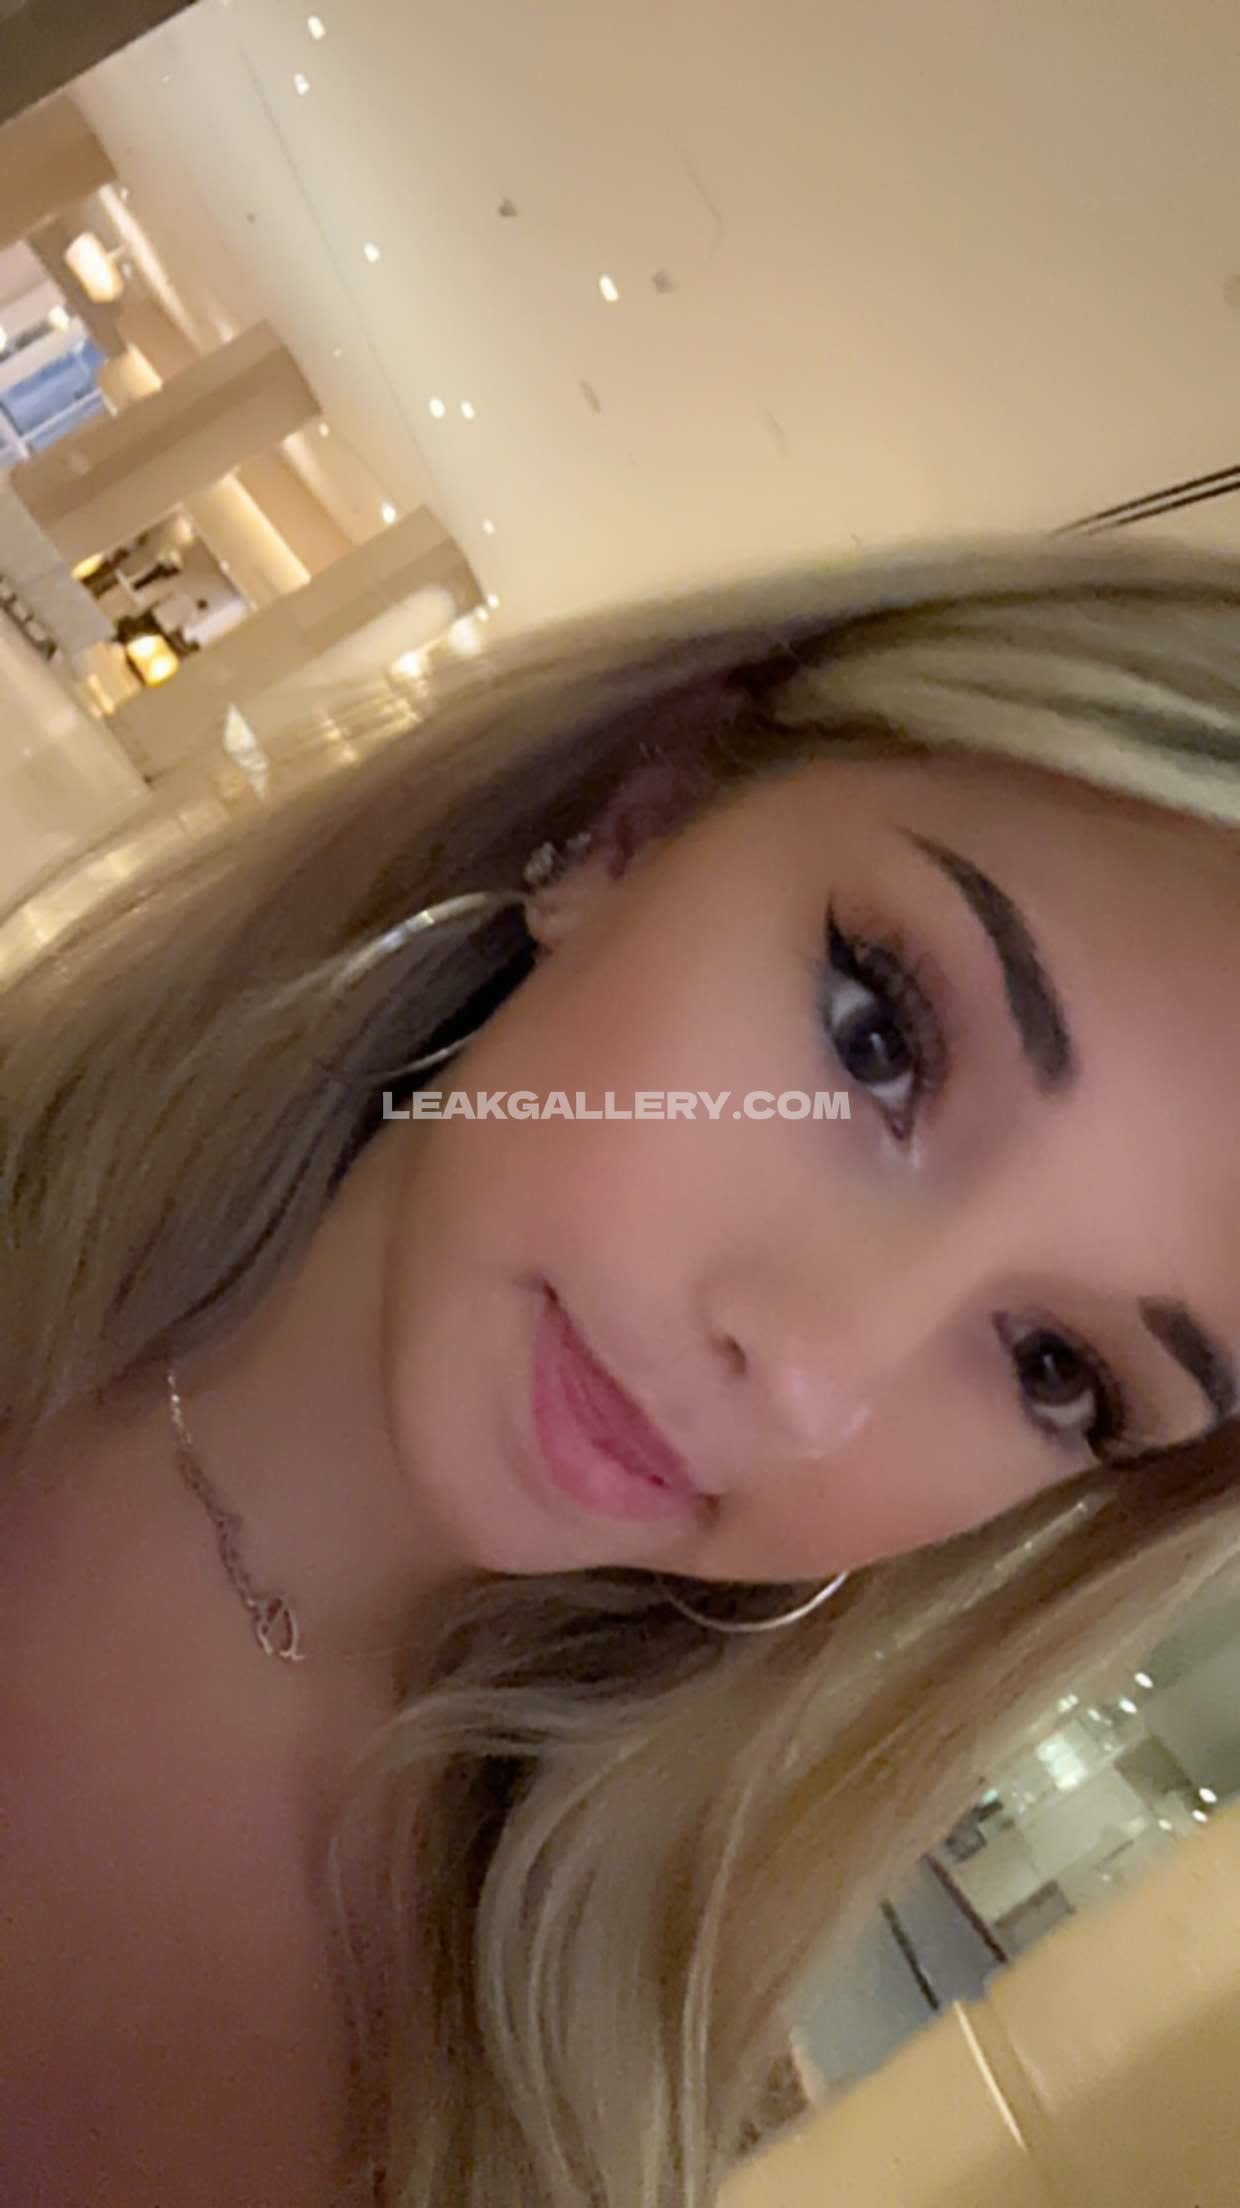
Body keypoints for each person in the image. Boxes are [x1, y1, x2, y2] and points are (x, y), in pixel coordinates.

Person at [3, 529, 1240, 2208]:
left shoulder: (528, 2124)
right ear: (636, 823)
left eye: (1053, 1367)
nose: (810, 1373)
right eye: (878, 1039)